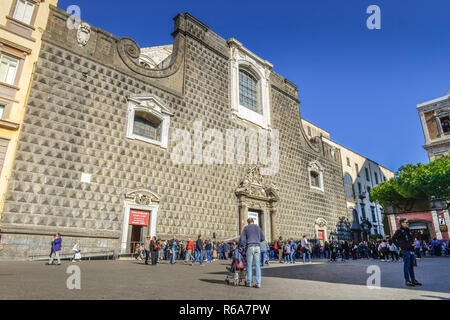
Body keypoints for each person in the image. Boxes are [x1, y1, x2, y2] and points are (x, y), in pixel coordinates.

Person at [392, 218, 422, 287]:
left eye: (407, 222)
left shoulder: (408, 230)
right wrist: (398, 246)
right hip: (405, 250)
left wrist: (413, 243)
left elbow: (410, 239)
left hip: (411, 249)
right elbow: (393, 238)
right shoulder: (399, 231)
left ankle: (413, 280)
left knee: (411, 266)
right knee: (407, 265)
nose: (407, 223)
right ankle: (407, 281)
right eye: (406, 222)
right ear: (402, 223)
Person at [239, 218, 265, 288]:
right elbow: (263, 238)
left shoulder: (246, 228)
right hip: (257, 247)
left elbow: (242, 239)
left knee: (249, 265)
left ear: (248, 222)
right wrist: (257, 239)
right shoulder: (258, 228)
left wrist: (244, 247)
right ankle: (258, 283)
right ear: (253, 222)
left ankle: (249, 282)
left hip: (250, 247)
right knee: (257, 265)